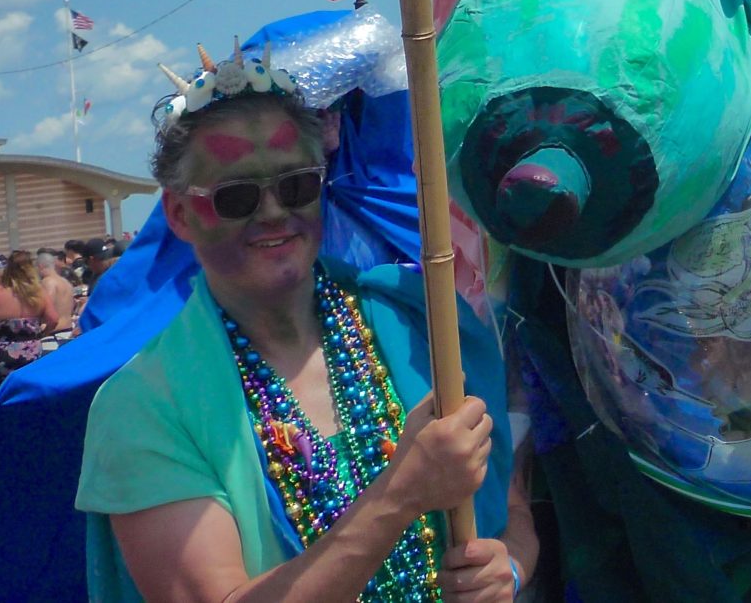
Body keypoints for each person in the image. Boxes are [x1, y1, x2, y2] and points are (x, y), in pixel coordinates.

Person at [76, 47, 530, 603]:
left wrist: (509, 566)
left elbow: (512, 507)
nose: (271, 212)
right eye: (236, 196)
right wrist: (398, 496)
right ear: (180, 214)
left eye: (295, 186)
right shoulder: (143, 406)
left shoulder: (419, 319)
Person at [0, 246, 61, 388]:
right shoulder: (39, 295)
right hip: (31, 353)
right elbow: (53, 319)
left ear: (8, 271)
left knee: (1, 397)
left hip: (0, 356)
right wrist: (40, 334)